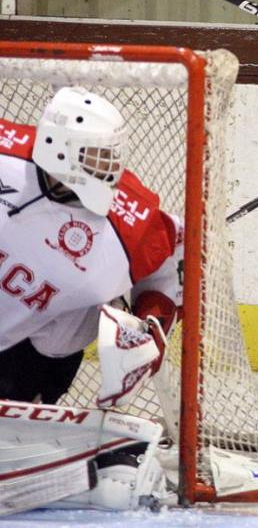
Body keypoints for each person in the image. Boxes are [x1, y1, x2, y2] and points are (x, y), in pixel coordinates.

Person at [0, 86, 182, 511]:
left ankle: (79, 454)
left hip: (29, 355)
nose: (110, 169)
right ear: (57, 146)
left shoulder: (130, 217)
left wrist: (149, 328)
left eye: (111, 157)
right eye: (97, 157)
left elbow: (164, 273)